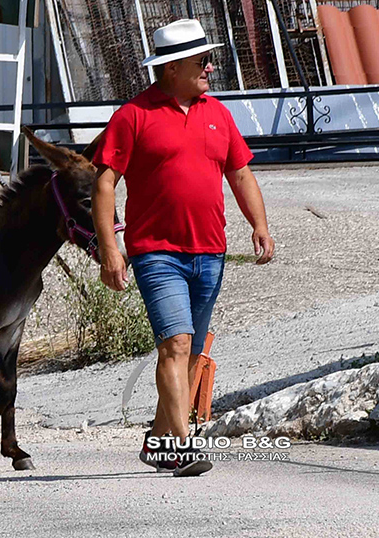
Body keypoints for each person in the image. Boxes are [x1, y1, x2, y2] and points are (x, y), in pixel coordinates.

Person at [91, 19, 275, 477]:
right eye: (201, 60)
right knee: (174, 344)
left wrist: (260, 224)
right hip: (156, 252)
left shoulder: (218, 112)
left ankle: (157, 441)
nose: (210, 67)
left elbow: (240, 173)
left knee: (190, 352)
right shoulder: (133, 115)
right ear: (172, 67)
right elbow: (104, 183)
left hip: (210, 252)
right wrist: (111, 248)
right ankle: (182, 447)